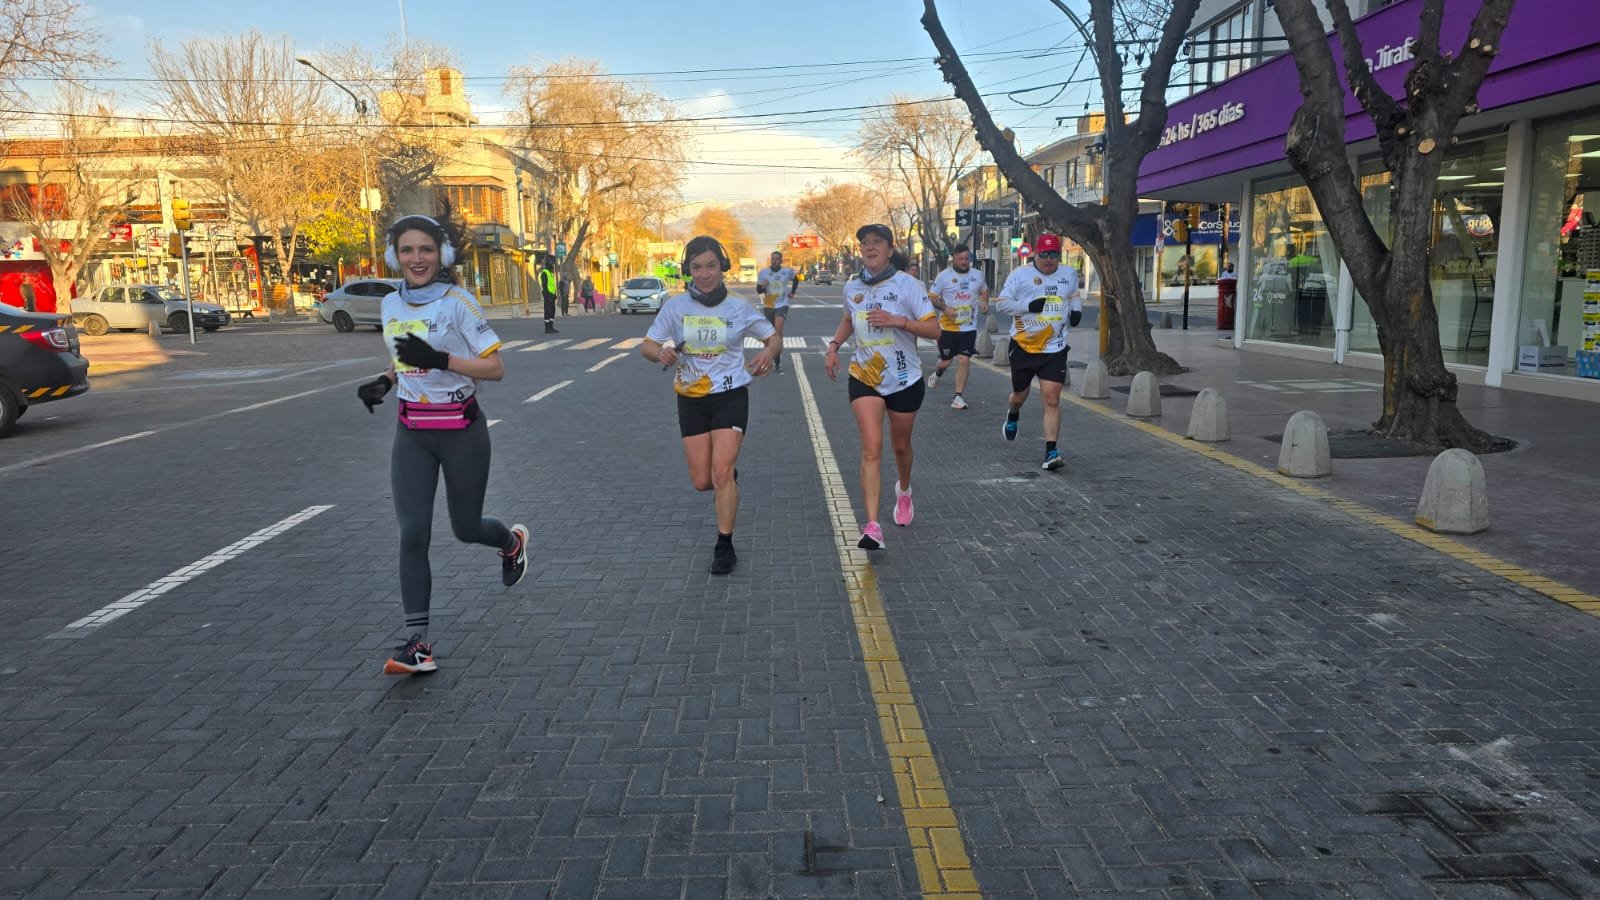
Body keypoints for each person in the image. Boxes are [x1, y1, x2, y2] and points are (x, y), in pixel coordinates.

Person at [354, 213, 529, 676]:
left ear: (442, 255)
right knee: (413, 533)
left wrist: (441, 359)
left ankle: (510, 542)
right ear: (395, 256)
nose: (417, 258)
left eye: (426, 250)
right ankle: (418, 645)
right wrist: (385, 381)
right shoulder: (390, 304)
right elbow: (403, 359)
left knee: (465, 528)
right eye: (407, 250)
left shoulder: (459, 304)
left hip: (461, 432)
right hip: (411, 432)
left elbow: (495, 369)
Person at [641, 235, 780, 575]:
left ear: (723, 268)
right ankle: (727, 478)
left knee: (719, 472)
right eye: (697, 267)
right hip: (691, 399)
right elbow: (647, 345)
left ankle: (724, 544)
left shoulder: (738, 307)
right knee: (703, 481)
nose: (704, 274)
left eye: (711, 266)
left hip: (730, 395)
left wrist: (768, 353)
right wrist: (660, 353)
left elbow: (772, 337)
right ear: (688, 270)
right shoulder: (675, 307)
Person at [823, 224, 940, 550]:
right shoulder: (853, 287)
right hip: (865, 376)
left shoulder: (909, 285)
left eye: (877, 242)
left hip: (904, 378)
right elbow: (849, 319)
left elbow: (934, 330)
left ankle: (904, 489)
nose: (870, 247)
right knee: (871, 448)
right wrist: (833, 346)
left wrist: (898, 321)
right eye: (865, 243)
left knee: (900, 445)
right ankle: (872, 526)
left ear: (890, 249)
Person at [992, 232, 1083, 471]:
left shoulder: (1068, 274)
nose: (1049, 259)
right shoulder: (1019, 275)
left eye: (1054, 254)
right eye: (1045, 254)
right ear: (1036, 254)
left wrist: (1076, 310)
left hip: (1055, 347)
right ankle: (1013, 414)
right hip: (1024, 346)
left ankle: (1051, 450)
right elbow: (1001, 303)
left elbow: (1073, 294)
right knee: (1019, 396)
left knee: (1051, 399)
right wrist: (1027, 306)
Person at [924, 243, 990, 409]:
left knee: (964, 359)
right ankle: (937, 373)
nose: (964, 262)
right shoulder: (943, 276)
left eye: (967, 259)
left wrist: (984, 302)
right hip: (948, 328)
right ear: (954, 258)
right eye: (961, 259)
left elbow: (984, 290)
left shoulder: (977, 275)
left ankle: (958, 397)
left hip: (969, 327)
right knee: (945, 362)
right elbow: (931, 297)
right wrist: (945, 308)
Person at [754, 250, 797, 373]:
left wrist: (792, 292)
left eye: (777, 259)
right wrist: (763, 286)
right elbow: (758, 290)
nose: (774, 261)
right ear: (770, 260)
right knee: (769, 334)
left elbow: (796, 279)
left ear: (781, 260)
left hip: (782, 304)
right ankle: (769, 355)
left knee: (777, 331)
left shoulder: (787, 271)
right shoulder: (763, 273)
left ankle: (777, 360)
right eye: (773, 259)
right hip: (769, 304)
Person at [538, 257, 559, 333]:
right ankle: (547, 328)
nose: (552, 266)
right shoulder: (545, 272)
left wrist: (555, 294)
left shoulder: (551, 273)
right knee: (548, 311)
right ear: (548, 265)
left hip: (552, 295)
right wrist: (547, 295)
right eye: (551, 264)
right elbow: (544, 285)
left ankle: (551, 327)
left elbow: (552, 285)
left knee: (552, 311)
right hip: (547, 295)